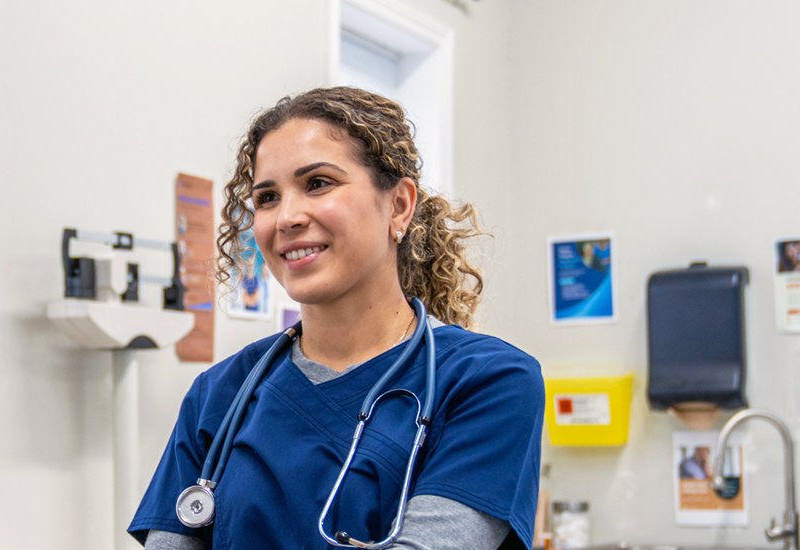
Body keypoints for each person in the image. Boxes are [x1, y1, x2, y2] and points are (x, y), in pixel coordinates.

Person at [129, 87, 544, 549]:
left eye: (318, 183)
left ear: (399, 206)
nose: (286, 216)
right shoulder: (219, 394)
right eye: (266, 197)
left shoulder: (488, 380)